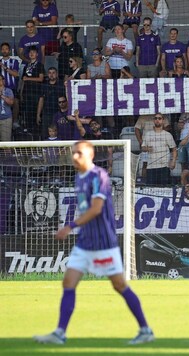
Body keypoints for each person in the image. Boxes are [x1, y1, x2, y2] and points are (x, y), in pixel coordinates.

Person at [33, 141, 155, 345]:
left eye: (79, 153)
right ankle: (59, 333)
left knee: (119, 285)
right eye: (73, 153)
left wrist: (70, 226)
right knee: (68, 282)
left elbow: (96, 208)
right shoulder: (77, 177)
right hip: (84, 241)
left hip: (103, 242)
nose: (75, 157)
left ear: (90, 154)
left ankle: (145, 330)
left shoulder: (99, 176)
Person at [141, 113, 177, 185]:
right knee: (150, 189)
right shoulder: (148, 134)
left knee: (164, 189)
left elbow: (174, 149)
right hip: (151, 166)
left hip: (164, 166)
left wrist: (173, 161)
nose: (157, 120)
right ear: (153, 121)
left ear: (163, 120)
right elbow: (142, 147)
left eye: (159, 118)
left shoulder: (167, 135)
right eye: (156, 118)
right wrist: (146, 148)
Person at [36, 67, 65, 139]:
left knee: (59, 132)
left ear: (57, 74)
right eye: (49, 73)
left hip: (59, 113)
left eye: (53, 73)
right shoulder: (44, 85)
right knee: (45, 133)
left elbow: (66, 100)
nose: (51, 75)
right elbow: (41, 99)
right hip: (47, 113)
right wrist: (38, 114)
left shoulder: (62, 85)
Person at [0, 76, 14, 142]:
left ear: (3, 81)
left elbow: (11, 102)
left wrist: (2, 96)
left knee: (6, 143)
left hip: (6, 119)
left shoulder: (8, 90)